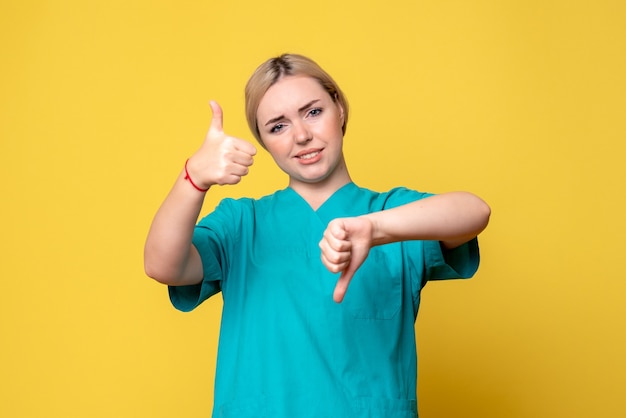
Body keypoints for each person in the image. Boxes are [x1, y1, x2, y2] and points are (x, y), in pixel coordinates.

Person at [144, 53, 490, 418]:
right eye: (277, 126)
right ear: (263, 141)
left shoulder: (392, 213)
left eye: (313, 112)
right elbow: (161, 264)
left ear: (339, 109)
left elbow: (474, 211)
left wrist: (374, 228)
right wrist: (193, 178)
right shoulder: (241, 223)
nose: (302, 135)